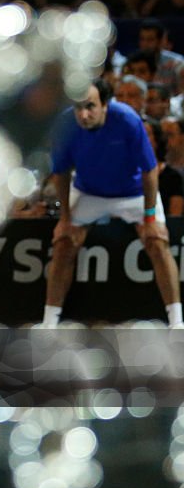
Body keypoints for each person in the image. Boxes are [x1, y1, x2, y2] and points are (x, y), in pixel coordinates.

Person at [42, 78, 183, 328]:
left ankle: (177, 323)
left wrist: (150, 218)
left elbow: (150, 171)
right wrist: (65, 218)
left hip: (133, 193)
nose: (83, 115)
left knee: (157, 242)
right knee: (63, 243)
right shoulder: (65, 124)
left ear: (105, 104)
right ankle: (49, 324)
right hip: (88, 193)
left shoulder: (128, 120)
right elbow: (61, 173)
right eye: (78, 108)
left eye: (90, 107)